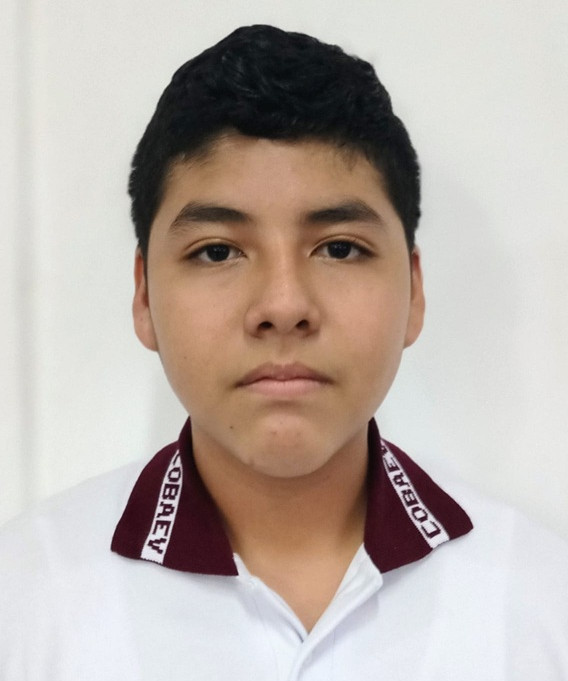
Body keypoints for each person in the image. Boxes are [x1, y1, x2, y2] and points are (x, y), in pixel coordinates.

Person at [1, 24, 567, 680]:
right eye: (217, 251)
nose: (283, 304)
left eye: (339, 248)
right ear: (144, 295)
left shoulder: (542, 603)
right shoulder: (25, 601)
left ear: (414, 290)